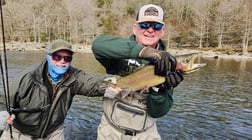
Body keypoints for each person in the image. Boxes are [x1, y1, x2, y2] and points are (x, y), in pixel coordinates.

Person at [92, 4, 184, 140]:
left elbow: (158, 112)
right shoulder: (119, 50)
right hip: (110, 132)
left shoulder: (168, 63)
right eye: (145, 25)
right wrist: (145, 52)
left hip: (144, 135)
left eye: (156, 26)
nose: (150, 30)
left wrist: (161, 90)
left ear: (162, 31)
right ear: (135, 28)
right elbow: (98, 45)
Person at [0, 39, 113, 140]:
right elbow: (3, 100)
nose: (62, 61)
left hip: (53, 132)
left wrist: (111, 84)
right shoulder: (27, 77)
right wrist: (3, 114)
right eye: (57, 57)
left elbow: (92, 84)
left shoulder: (74, 77)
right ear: (48, 57)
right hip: (21, 132)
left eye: (67, 58)